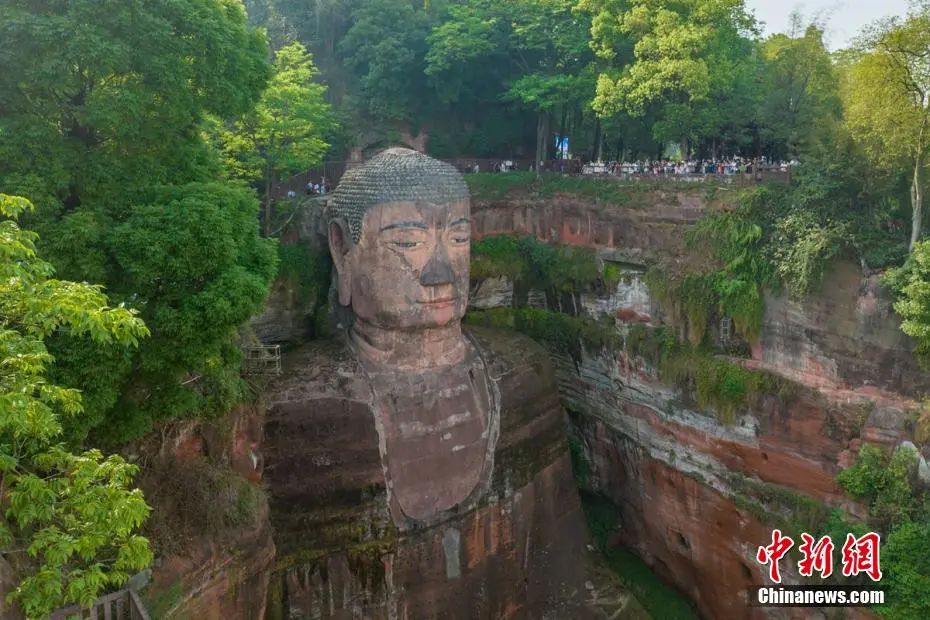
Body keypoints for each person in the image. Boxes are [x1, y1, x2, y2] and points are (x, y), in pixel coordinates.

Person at [263, 148, 594, 618]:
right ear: (342, 250)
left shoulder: (523, 375)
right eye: (409, 242)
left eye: (459, 239)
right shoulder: (297, 412)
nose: (440, 272)